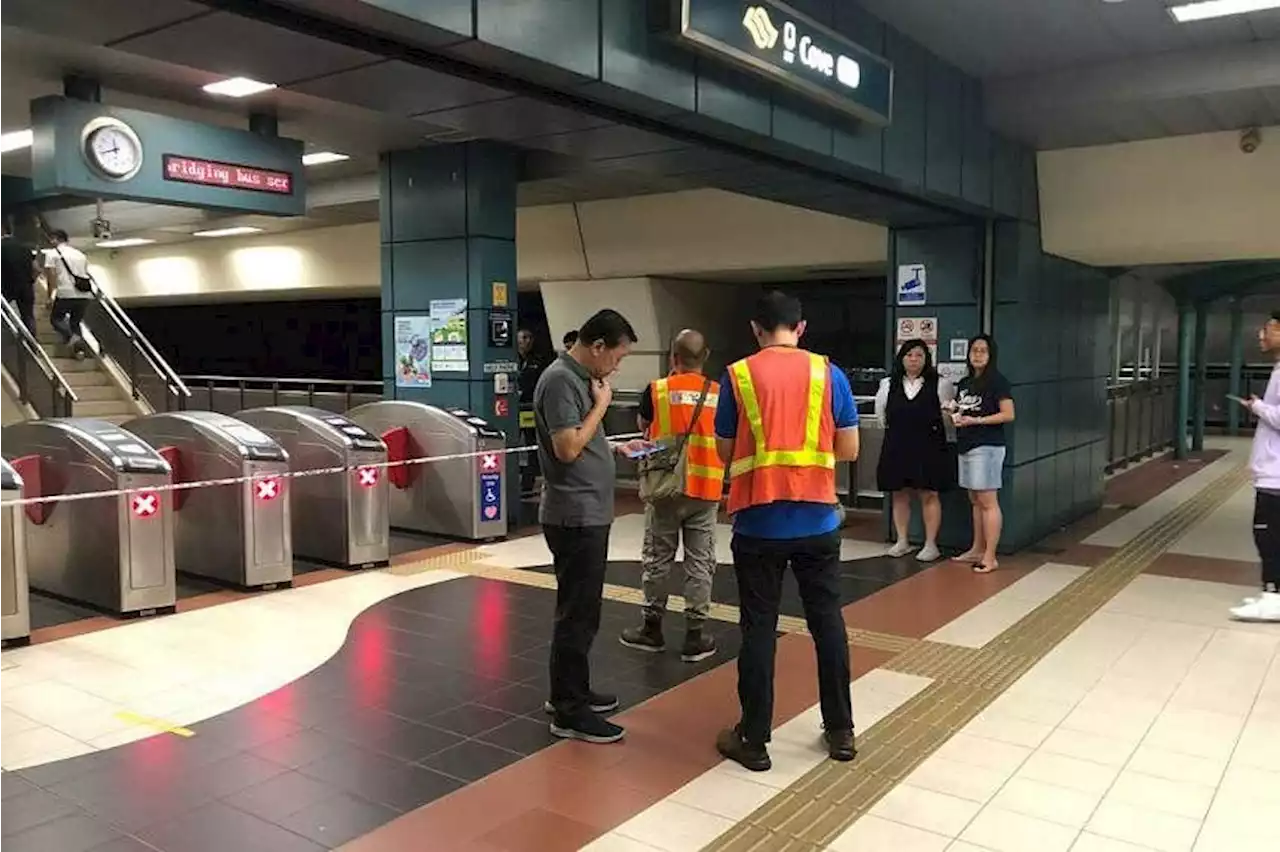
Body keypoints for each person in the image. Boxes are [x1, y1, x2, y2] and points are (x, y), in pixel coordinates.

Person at [714, 291, 860, 772]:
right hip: (818, 520)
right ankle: (841, 731)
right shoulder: (828, 373)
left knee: (759, 628)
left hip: (758, 523)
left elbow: (724, 451)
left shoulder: (738, 376)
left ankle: (753, 739)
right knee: (828, 623)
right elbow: (851, 449)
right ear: (801, 328)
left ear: (756, 329)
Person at [535, 309, 651, 743]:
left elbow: (580, 438)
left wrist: (615, 449)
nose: (616, 368)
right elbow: (566, 448)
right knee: (577, 614)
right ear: (597, 346)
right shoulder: (563, 380)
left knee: (582, 610)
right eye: (616, 358)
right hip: (575, 514)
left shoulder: (575, 379)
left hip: (587, 511)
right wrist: (602, 406)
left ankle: (572, 690)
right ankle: (568, 711)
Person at [620, 329, 724, 662]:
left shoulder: (657, 390)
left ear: (673, 357)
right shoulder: (719, 394)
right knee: (700, 561)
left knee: (657, 557)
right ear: (705, 356)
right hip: (705, 489)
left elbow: (644, 426)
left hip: (664, 487)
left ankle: (652, 629)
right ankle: (695, 635)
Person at [875, 339, 954, 563]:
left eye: (919, 355)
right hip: (897, 445)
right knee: (899, 493)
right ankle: (902, 540)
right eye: (909, 355)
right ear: (902, 358)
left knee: (929, 493)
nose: (914, 359)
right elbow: (881, 415)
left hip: (929, 447)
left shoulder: (941, 384)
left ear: (926, 359)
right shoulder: (888, 384)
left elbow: (948, 419)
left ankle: (931, 544)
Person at [948, 334, 1015, 574]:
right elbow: (960, 408)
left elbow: (1008, 414)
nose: (977, 355)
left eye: (982, 351)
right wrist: (953, 411)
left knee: (988, 501)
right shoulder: (965, 383)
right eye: (974, 350)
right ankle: (977, 548)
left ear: (991, 355)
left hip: (987, 446)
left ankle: (990, 555)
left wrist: (977, 420)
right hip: (966, 444)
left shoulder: (998, 382)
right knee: (974, 500)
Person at [1230, 311, 1280, 622]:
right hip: (1274, 469)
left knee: (1267, 534)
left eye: (1268, 330)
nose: (1260, 336)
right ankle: (1272, 594)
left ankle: (1272, 597)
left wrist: (1258, 407)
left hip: (1276, 473)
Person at [43, 229, 93, 358]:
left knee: (56, 319)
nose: (50, 242)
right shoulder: (80, 254)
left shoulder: (52, 254)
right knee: (75, 322)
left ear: (56, 238)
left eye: (51, 239)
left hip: (65, 293)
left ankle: (74, 338)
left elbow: (51, 277)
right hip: (84, 294)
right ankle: (79, 352)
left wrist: (50, 297)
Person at [0, 221, 36, 333]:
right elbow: (36, 268)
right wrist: (30, 280)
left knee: (3, 313)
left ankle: (7, 337)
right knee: (28, 315)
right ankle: (31, 342)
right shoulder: (24, 247)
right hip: (26, 286)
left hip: (5, 286)